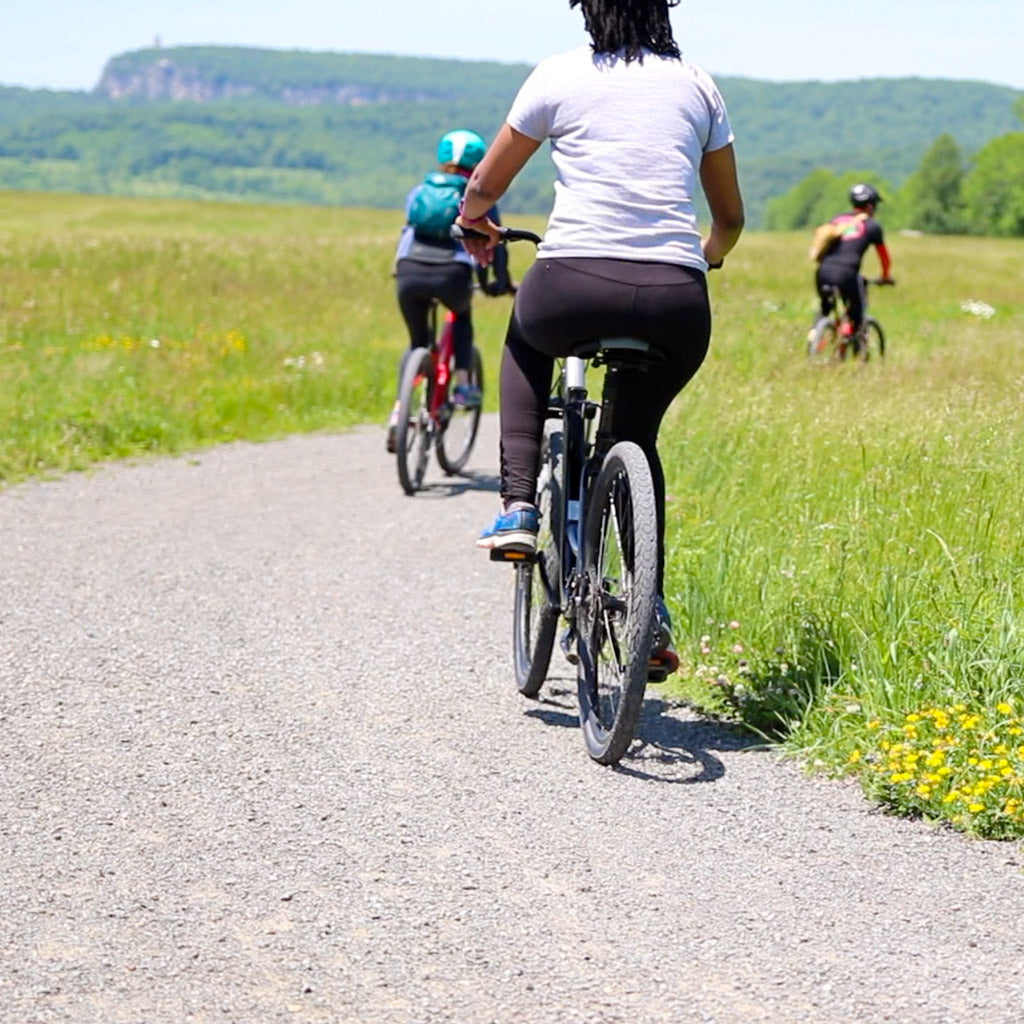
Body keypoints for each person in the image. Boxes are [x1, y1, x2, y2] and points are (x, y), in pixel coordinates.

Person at [456, 0, 744, 670]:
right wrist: (711, 252)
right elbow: (729, 216)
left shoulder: (557, 76)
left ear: (590, 11)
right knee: (635, 438)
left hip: (570, 284)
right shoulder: (698, 84)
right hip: (677, 296)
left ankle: (519, 508)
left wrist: (476, 222)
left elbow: (485, 183)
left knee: (526, 341)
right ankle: (650, 612)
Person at [387, 129, 513, 453]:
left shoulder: (420, 191)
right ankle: (462, 383)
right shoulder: (477, 196)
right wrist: (497, 283)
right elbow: (493, 246)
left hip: (408, 270)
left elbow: (408, 231)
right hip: (452, 275)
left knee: (417, 342)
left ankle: (400, 412)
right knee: (462, 314)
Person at [814, 183, 894, 344]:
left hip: (822, 272)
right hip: (847, 274)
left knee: (825, 309)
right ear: (871, 206)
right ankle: (857, 351)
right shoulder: (872, 226)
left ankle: (815, 336)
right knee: (856, 314)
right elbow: (884, 258)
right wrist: (885, 276)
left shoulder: (837, 220)